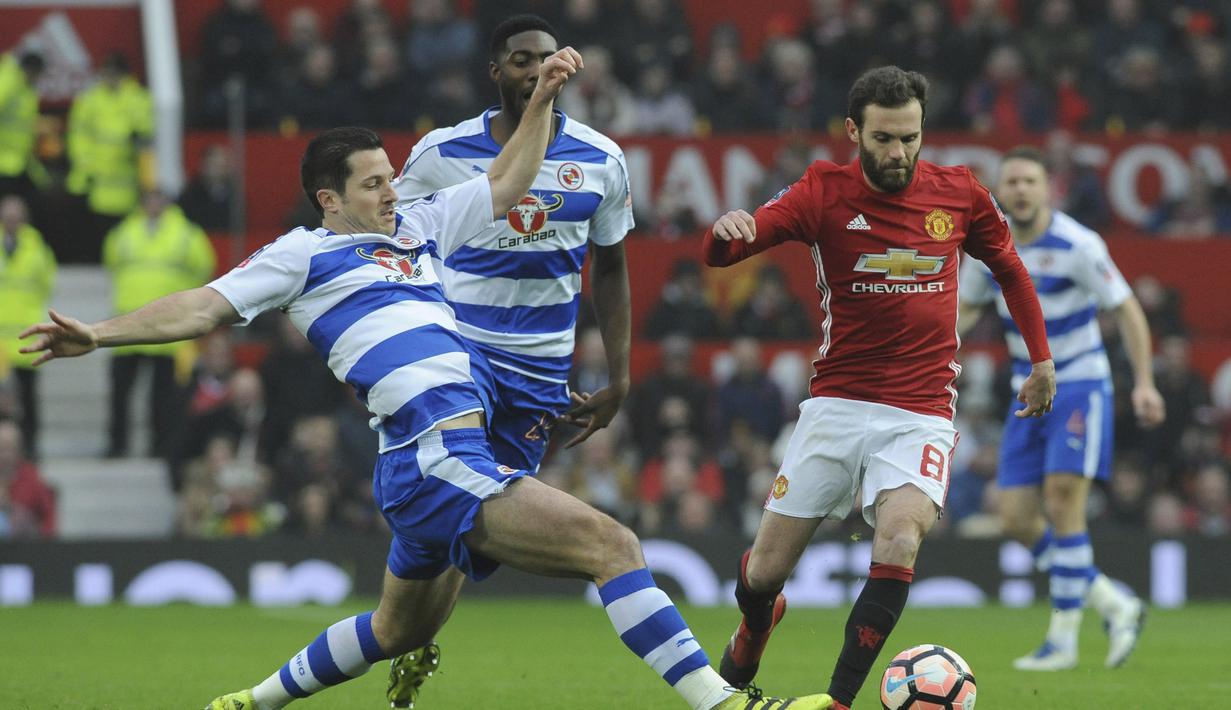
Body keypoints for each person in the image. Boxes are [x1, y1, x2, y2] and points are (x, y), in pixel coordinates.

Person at [22, 50, 829, 710]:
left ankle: (250, 701)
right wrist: (99, 332)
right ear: (328, 199)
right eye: (374, 182)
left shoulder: (420, 226)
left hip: (433, 458)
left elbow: (506, 180)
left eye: (390, 175)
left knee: (397, 630)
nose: (393, 190)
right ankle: (724, 703)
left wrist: (543, 97)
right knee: (611, 545)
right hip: (434, 454)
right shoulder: (302, 256)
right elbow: (201, 306)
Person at [702, 66, 1056, 710]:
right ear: (854, 131)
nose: (898, 153)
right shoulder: (821, 191)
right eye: (884, 139)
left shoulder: (960, 192)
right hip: (836, 404)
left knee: (899, 538)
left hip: (920, 411)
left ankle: (838, 701)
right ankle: (757, 622)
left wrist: (1041, 359)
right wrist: (725, 233)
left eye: (910, 138)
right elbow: (729, 251)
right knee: (764, 573)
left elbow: (1010, 268)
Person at [388, 16, 635, 704]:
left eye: (545, 58)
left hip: (539, 376)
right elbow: (392, 243)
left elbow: (611, 268)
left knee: (473, 527)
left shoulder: (601, 159)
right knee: (457, 493)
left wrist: (619, 376)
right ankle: (396, 630)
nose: (535, 70)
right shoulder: (441, 153)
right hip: (459, 358)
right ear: (496, 72)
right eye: (520, 60)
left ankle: (408, 636)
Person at [957, 146, 1163, 670]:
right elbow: (966, 309)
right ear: (1000, 191)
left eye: (1031, 180)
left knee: (1063, 500)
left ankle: (1063, 641)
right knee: (1015, 517)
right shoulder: (987, 247)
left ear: (1048, 188)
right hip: (1025, 391)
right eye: (1013, 181)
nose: (1021, 189)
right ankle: (1112, 601)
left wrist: (1144, 382)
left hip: (1079, 385)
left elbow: (1127, 309)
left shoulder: (1079, 244)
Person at [102, 189, 216, 458]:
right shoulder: (123, 232)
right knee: (120, 391)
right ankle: (117, 445)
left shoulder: (187, 233)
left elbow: (204, 267)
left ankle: (159, 446)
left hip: (167, 327)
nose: (153, 204)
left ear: (166, 202)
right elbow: (111, 263)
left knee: (162, 395)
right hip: (129, 323)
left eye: (157, 199)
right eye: (149, 199)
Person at [65, 52, 154, 258]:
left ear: (124, 75)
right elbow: (78, 134)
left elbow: (144, 133)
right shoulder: (90, 99)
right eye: (106, 74)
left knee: (122, 235)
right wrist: (84, 162)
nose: (109, 79)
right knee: (89, 235)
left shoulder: (138, 99)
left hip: (124, 182)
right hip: (92, 179)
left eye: (113, 74)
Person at [0, 195, 56, 457]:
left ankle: (30, 449)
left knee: (29, 400)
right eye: (7, 216)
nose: (11, 221)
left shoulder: (37, 248)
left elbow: (46, 284)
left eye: (15, 217)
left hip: (24, 335)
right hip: (2, 340)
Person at [0, 52, 46, 204]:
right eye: (39, 74)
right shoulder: (7, 83)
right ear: (31, 70)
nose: (39, 79)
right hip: (5, 161)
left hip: (19, 160)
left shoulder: (27, 90)